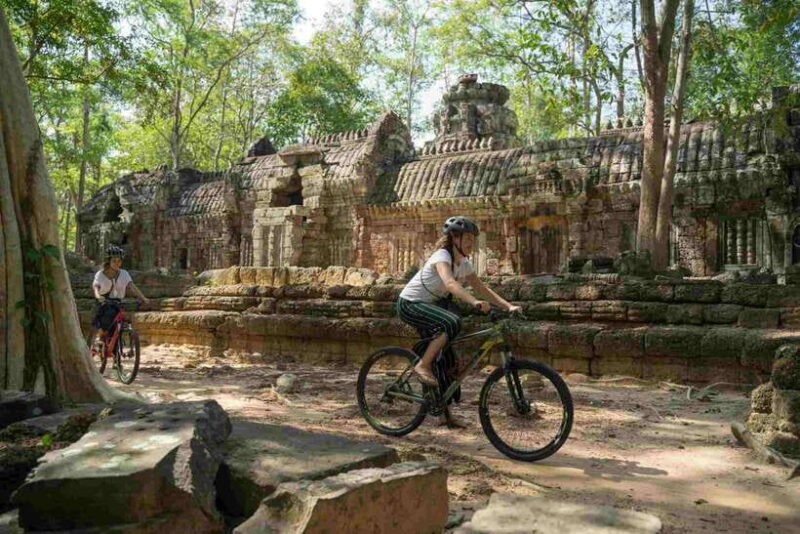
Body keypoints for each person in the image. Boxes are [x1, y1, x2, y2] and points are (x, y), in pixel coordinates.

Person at [397, 216, 522, 427]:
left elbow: (482, 287)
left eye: (473, 241)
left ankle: (442, 414)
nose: (471, 245)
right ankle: (422, 365)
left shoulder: (462, 263)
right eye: (468, 240)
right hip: (410, 304)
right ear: (454, 237)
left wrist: (508, 306)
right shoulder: (441, 256)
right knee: (452, 322)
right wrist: (474, 302)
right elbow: (450, 283)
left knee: (446, 362)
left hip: (432, 307)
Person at [89, 245, 149, 347]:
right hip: (104, 301)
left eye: (119, 261)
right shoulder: (101, 274)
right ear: (109, 261)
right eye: (114, 261)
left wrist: (143, 298)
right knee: (106, 315)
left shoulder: (124, 274)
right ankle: (100, 336)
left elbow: (132, 287)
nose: (117, 263)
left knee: (120, 320)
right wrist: (98, 296)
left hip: (117, 302)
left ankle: (116, 352)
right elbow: (96, 287)